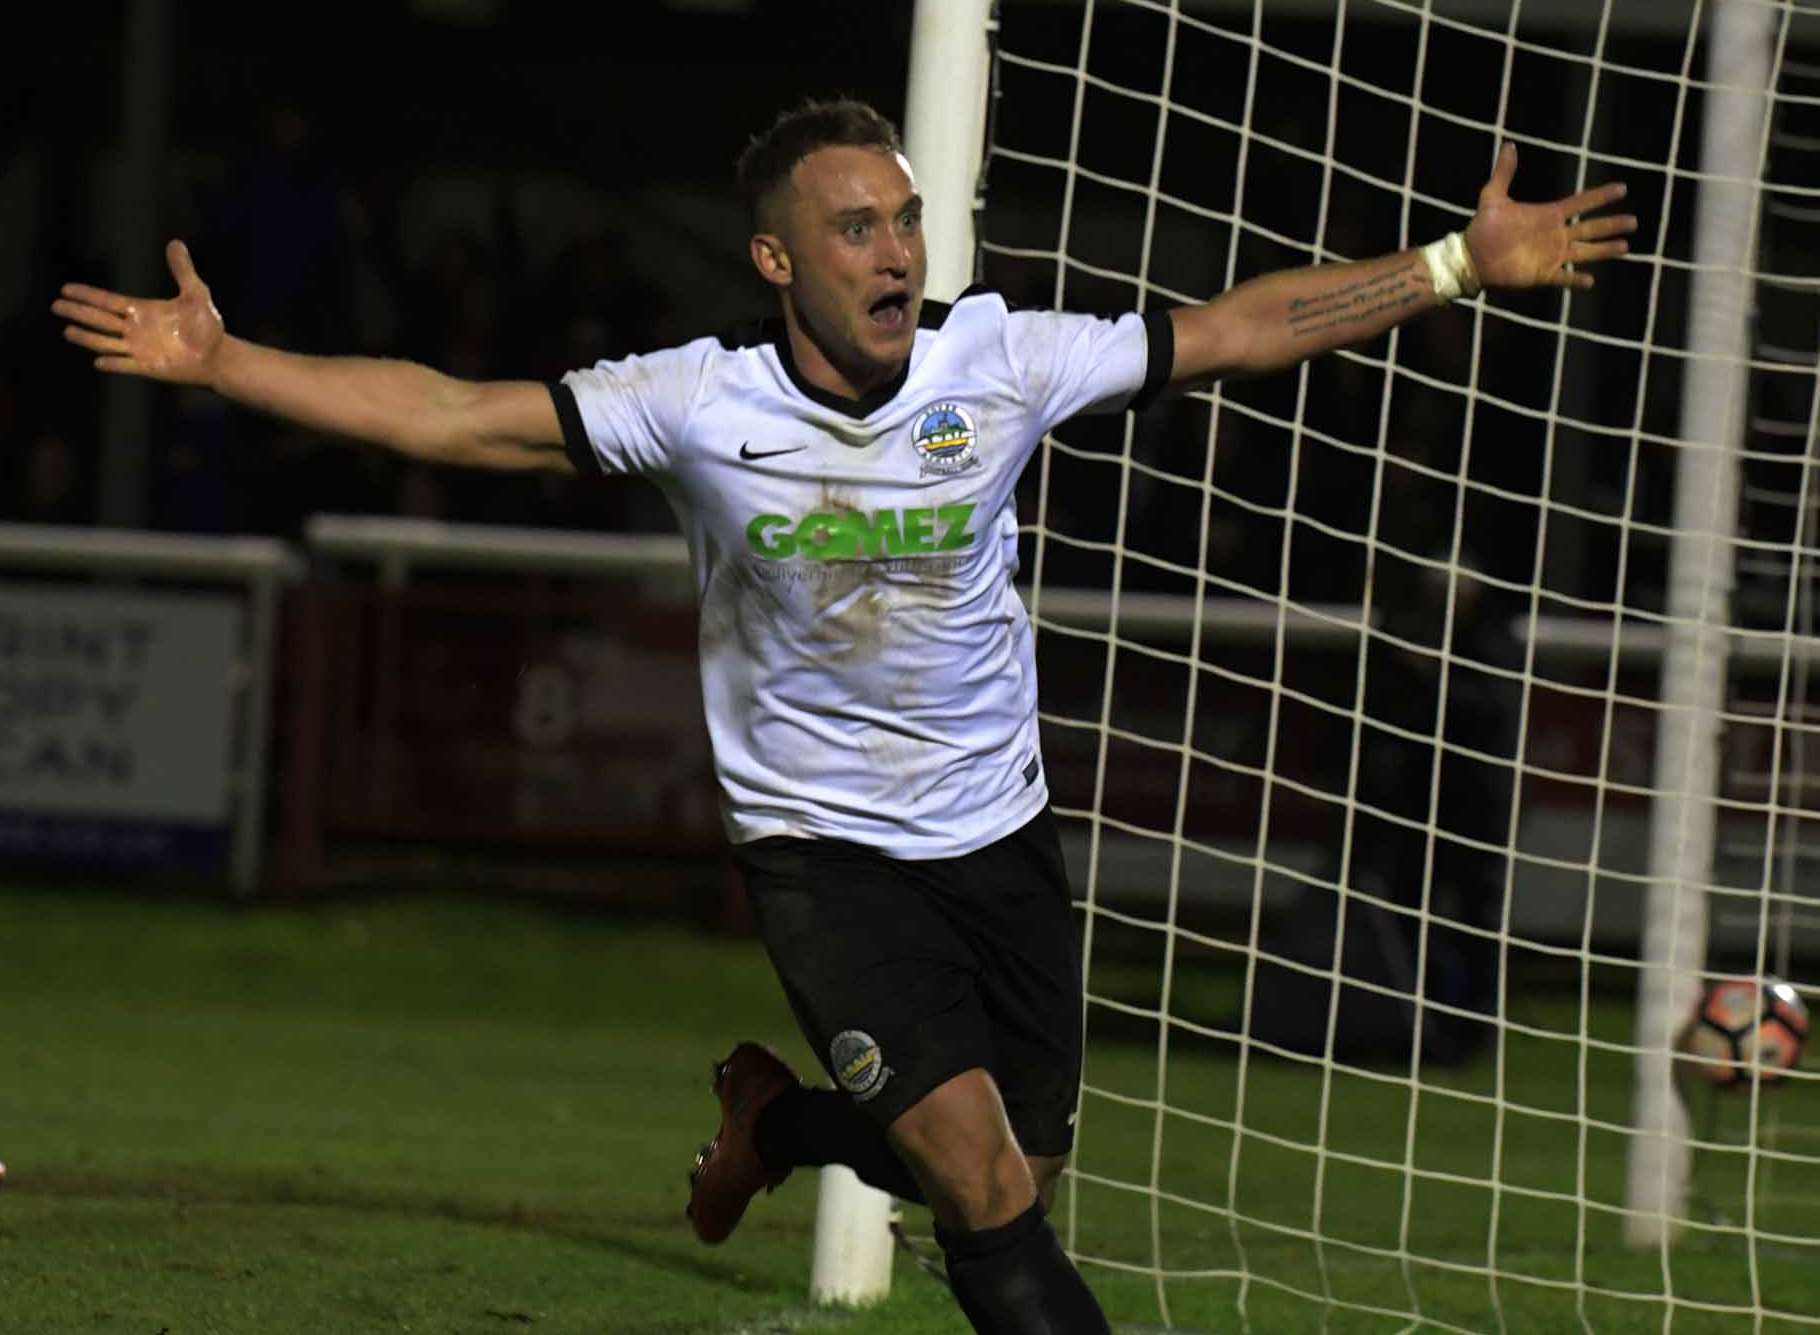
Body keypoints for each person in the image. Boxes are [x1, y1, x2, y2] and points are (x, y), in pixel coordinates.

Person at [52, 98, 1633, 1335]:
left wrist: (1449, 268)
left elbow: (1231, 329)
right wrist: (229, 361)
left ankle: (785, 1124)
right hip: (824, 854)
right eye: (857, 227)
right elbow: (460, 418)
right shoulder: (698, 401)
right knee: (988, 1186)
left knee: (1015, 1169)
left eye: (907, 222)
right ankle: (828, 1125)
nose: (896, 254)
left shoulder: (996, 361)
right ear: (777, 261)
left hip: (1000, 833)